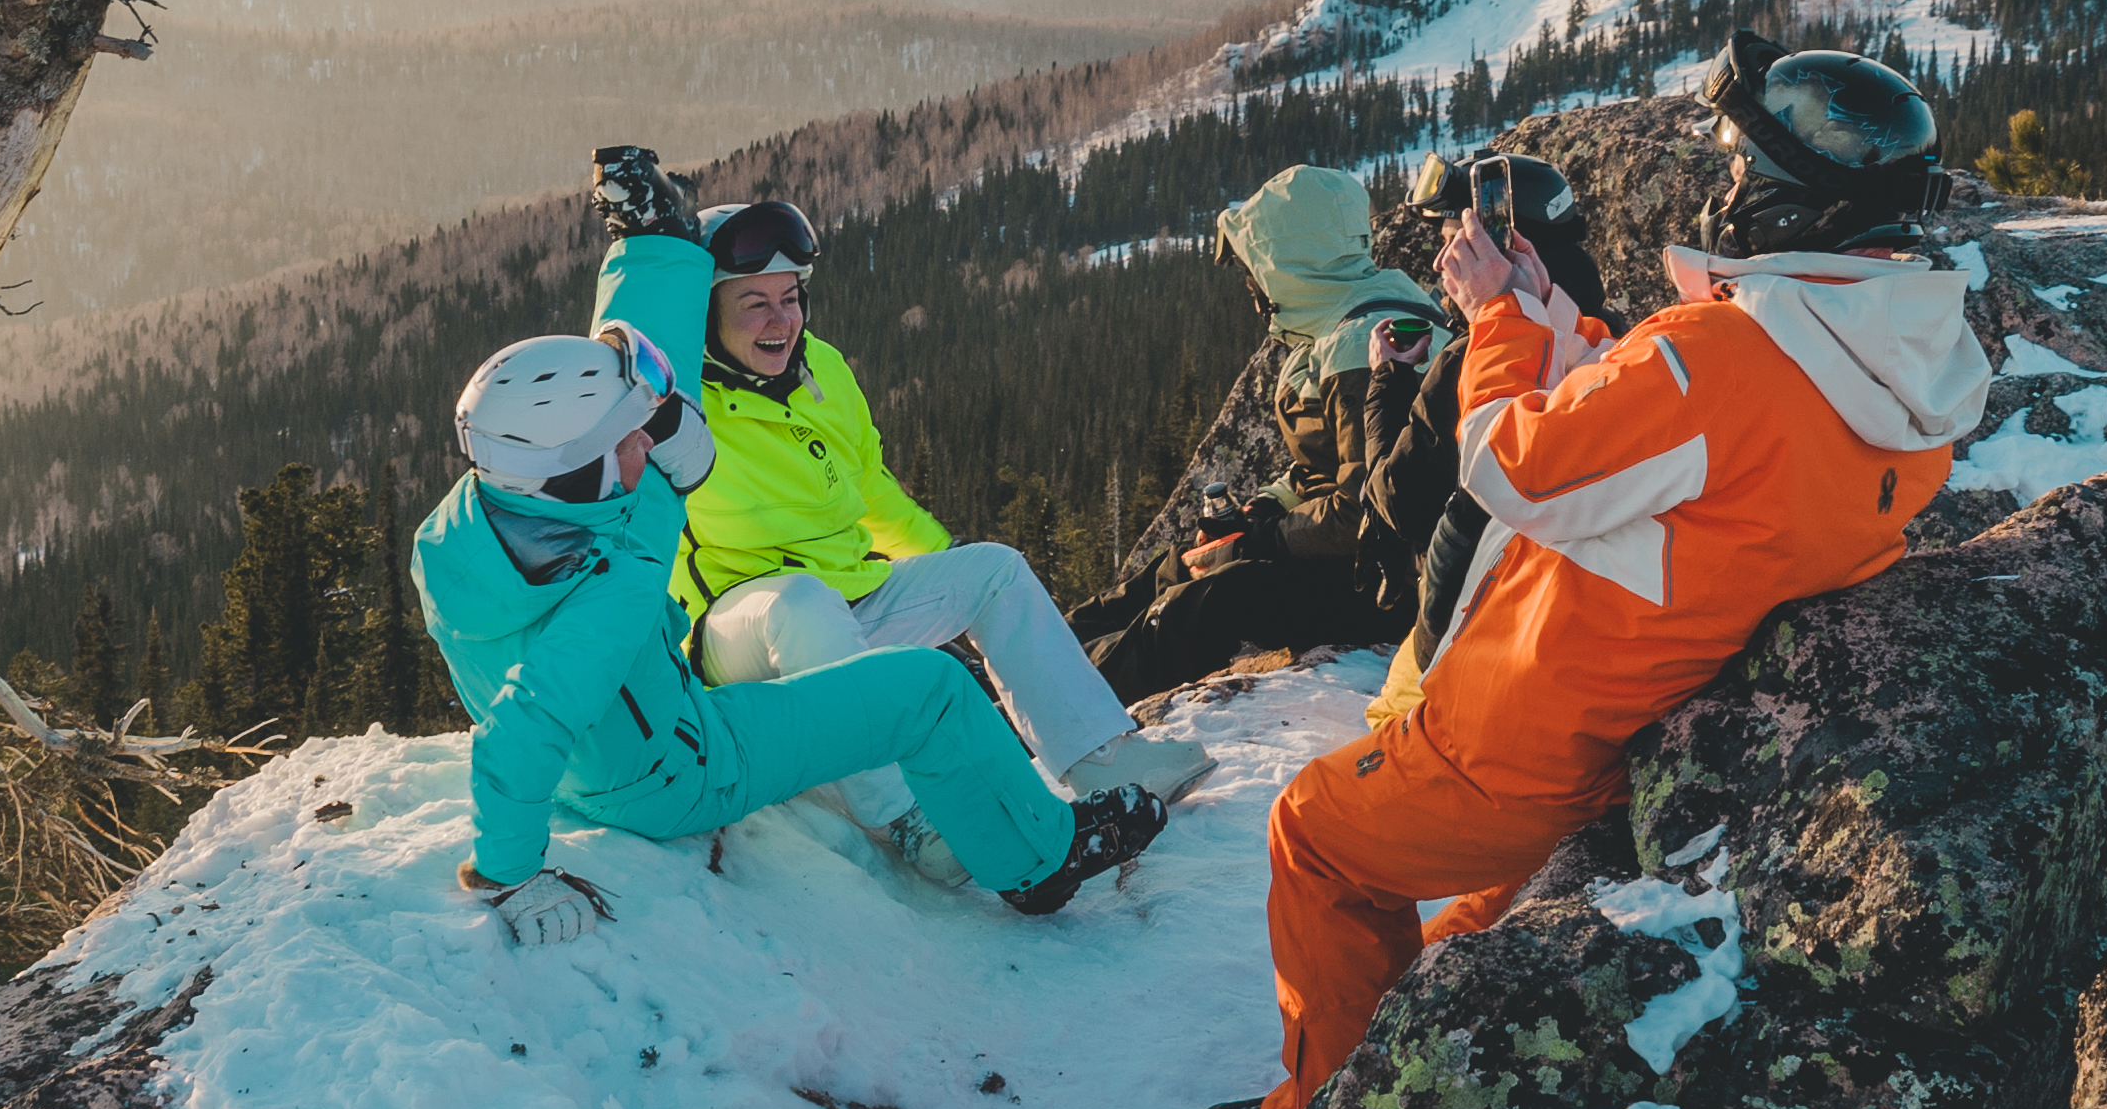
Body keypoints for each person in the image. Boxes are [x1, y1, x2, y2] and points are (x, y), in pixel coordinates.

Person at [1193, 35, 1992, 1109]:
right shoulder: (1907, 372)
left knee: (1312, 834)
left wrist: (1496, 322)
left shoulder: (1721, 351)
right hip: (1648, 727)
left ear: (1785, 203)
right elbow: (1684, 464)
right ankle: (1410, 1030)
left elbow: (1515, 464)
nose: (1723, 190)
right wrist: (1570, 330)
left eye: (1739, 171)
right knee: (1463, 913)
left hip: (1528, 742)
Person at [412, 175, 1173, 944]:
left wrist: (651, 244)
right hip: (683, 769)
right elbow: (523, 723)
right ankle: (1037, 859)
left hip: (627, 749)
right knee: (931, 689)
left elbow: (637, 355)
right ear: (582, 469)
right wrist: (510, 872)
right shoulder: (617, 569)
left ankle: (1078, 771)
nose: (649, 437)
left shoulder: (471, 524)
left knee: (950, 615)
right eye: (627, 439)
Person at [595, 148, 1209, 890]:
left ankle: (1101, 753)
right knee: (803, 604)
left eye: (790, 298)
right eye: (753, 302)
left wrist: (948, 578)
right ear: (707, 315)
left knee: (994, 569)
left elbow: (874, 496)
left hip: (849, 598)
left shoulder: (823, 370)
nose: (780, 320)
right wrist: (644, 245)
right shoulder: (682, 397)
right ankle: (912, 820)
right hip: (740, 629)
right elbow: (625, 348)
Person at [1067, 165, 1451, 703]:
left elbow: (1363, 509)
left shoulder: (1363, 341)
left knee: (1214, 598)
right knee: (1182, 562)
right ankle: (1040, 654)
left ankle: (1059, 701)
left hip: (1387, 583)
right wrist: (1265, 508)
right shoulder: (1348, 321)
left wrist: (1261, 539)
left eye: (1254, 272)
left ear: (1287, 266)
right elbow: (1326, 466)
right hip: (1358, 557)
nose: (1250, 289)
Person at [1363, 149, 1613, 732]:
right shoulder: (1606, 330)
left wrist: (1387, 383)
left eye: (1458, 242)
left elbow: (1395, 502)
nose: (1440, 260)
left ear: (1499, 246)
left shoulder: (1474, 355)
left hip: (1470, 627)